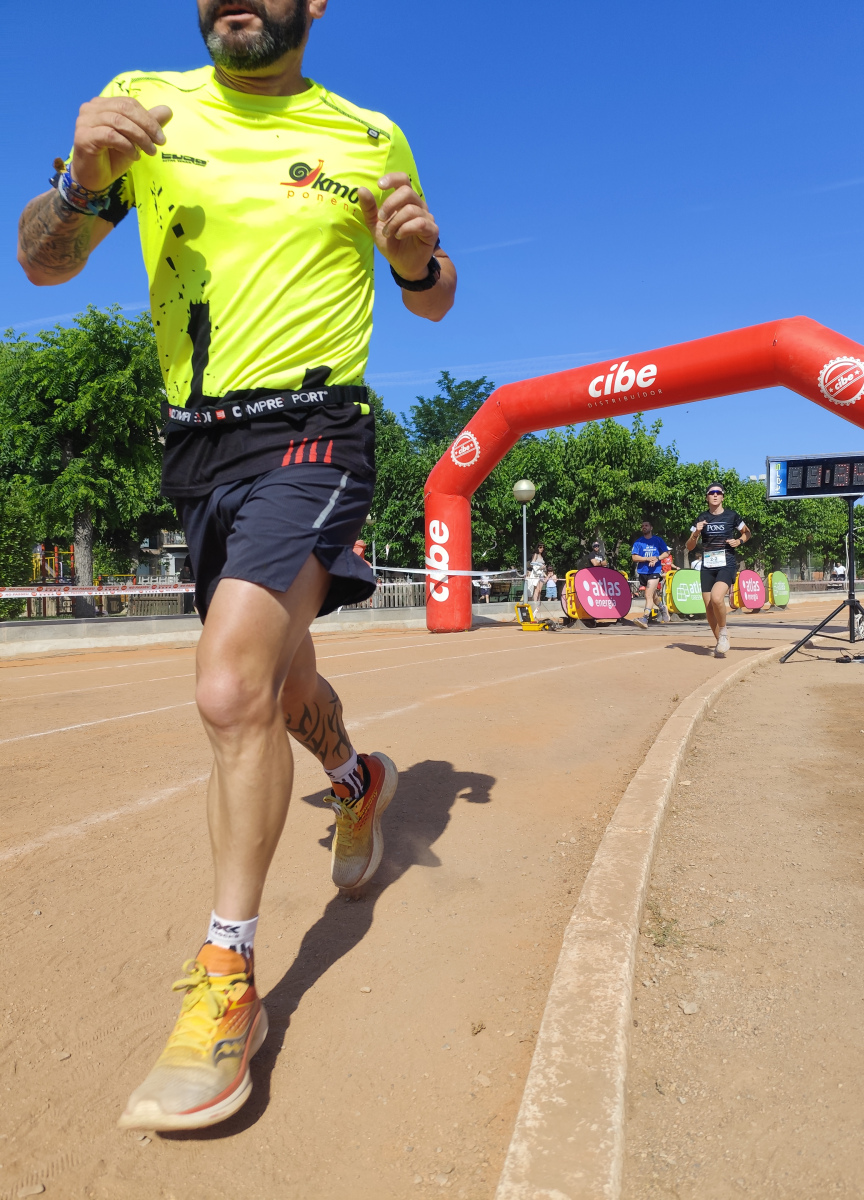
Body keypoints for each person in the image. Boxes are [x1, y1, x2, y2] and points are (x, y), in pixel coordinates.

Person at [18, 0, 456, 1132]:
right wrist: (77, 185)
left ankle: (228, 984)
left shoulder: (370, 133)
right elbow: (43, 266)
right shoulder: (144, 104)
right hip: (196, 449)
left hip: (316, 431)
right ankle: (357, 783)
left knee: (228, 686)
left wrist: (417, 263)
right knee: (281, 682)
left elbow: (434, 294)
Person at [685, 484, 750, 657]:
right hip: (707, 565)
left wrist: (739, 541)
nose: (715, 495)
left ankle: (723, 631)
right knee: (708, 608)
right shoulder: (701, 518)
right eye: (711, 493)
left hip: (726, 563)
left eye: (718, 492)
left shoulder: (732, 515)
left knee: (716, 598)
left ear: (722, 496)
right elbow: (689, 546)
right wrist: (696, 533)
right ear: (707, 497)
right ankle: (720, 641)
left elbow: (747, 533)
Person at [631, 519, 670, 627]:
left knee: (648, 594)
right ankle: (662, 607)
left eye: (646, 525)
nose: (644, 527)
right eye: (643, 526)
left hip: (655, 571)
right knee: (652, 595)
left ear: (651, 528)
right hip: (643, 571)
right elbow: (634, 557)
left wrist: (657, 558)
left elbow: (666, 553)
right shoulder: (638, 542)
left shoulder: (657, 540)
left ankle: (645, 618)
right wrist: (647, 559)